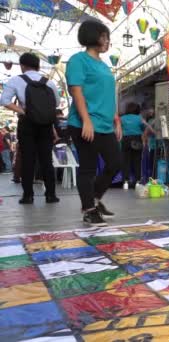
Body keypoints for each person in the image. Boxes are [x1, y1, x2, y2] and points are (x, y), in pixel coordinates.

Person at [66, 19, 122, 227]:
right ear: (94, 37)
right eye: (105, 37)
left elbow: (108, 94)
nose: (107, 41)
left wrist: (116, 118)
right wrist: (86, 120)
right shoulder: (78, 60)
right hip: (84, 124)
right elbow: (76, 90)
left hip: (106, 124)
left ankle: (94, 199)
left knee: (116, 162)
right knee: (88, 169)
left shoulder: (103, 65)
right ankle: (89, 210)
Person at [0, 53, 60, 204]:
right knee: (46, 159)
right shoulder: (49, 83)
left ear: (22, 65)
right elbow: (57, 104)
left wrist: (24, 111)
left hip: (27, 123)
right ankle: (51, 195)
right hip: (46, 124)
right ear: (38, 65)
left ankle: (28, 196)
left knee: (28, 159)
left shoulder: (16, 80)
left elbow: (4, 100)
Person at [120, 102, 150, 188]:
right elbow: (145, 128)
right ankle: (137, 182)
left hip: (125, 139)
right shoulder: (139, 118)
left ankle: (125, 182)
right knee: (137, 161)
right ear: (137, 109)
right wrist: (144, 138)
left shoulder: (122, 118)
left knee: (125, 161)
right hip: (137, 139)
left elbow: (117, 128)